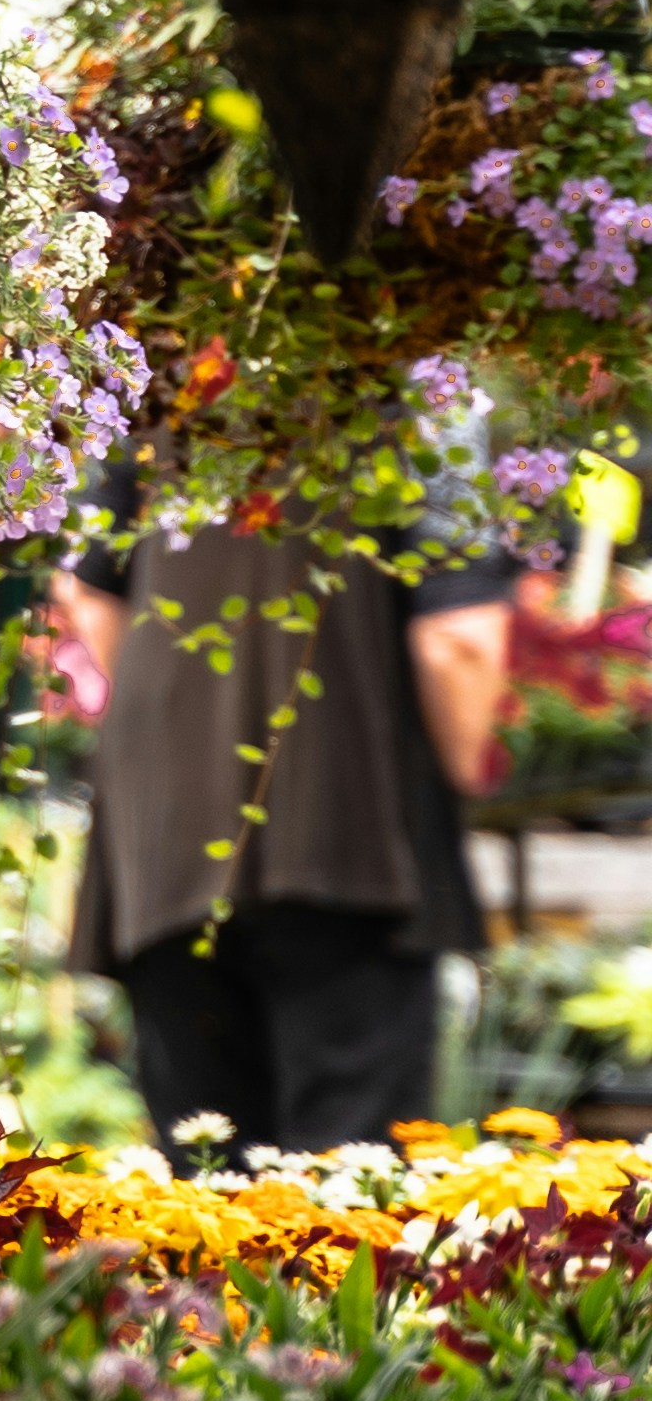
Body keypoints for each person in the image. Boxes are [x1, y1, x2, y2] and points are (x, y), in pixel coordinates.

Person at [48, 491, 515, 1150]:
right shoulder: (420, 398)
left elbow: (89, 590)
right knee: (347, 1200)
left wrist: (182, 735)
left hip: (162, 856)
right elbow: (458, 637)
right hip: (353, 843)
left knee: (206, 1194)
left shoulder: (157, 393)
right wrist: (466, 771)